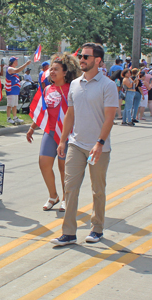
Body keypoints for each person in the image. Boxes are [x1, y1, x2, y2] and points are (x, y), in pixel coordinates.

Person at [52, 43, 118, 246]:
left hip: (98, 148)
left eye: (86, 56)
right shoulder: (75, 84)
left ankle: (97, 229)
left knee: (98, 189)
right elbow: (70, 114)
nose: (81, 59)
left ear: (98, 60)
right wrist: (63, 140)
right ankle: (69, 233)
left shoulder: (108, 85)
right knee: (70, 188)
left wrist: (99, 143)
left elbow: (109, 118)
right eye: (81, 56)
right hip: (76, 144)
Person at [26, 53, 81, 211]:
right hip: (50, 132)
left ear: (65, 72)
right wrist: (31, 128)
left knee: (63, 167)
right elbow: (42, 112)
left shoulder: (72, 88)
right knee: (44, 164)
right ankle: (53, 196)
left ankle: (65, 198)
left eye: (56, 69)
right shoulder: (47, 89)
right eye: (51, 69)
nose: (52, 72)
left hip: (67, 134)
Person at [6, 57, 31, 124]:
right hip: (11, 89)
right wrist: (26, 64)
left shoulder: (13, 69)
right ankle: (8, 118)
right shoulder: (10, 68)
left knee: (15, 105)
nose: (17, 62)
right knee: (10, 104)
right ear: (13, 62)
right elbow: (17, 70)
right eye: (16, 61)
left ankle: (15, 117)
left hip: (15, 90)